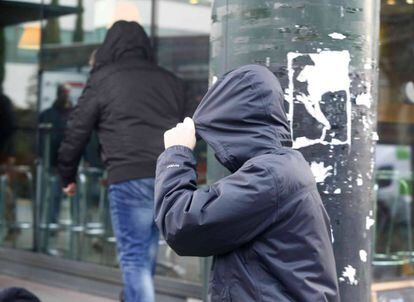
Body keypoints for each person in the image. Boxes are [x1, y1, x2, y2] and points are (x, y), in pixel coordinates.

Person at [155, 65, 340, 301]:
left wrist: (176, 154)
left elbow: (180, 223)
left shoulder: (271, 175)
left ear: (233, 123)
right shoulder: (281, 168)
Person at [58, 21, 194, 302]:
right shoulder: (170, 80)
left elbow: (77, 129)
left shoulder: (103, 78)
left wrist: (67, 175)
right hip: (165, 176)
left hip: (127, 176)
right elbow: (192, 125)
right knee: (145, 254)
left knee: (133, 257)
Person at [39, 84, 72, 225]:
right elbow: (41, 139)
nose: (64, 95)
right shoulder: (47, 115)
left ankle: (75, 226)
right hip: (52, 162)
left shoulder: (76, 114)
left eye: (66, 92)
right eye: (62, 92)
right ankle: (50, 224)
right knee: (54, 194)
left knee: (76, 197)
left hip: (71, 162)